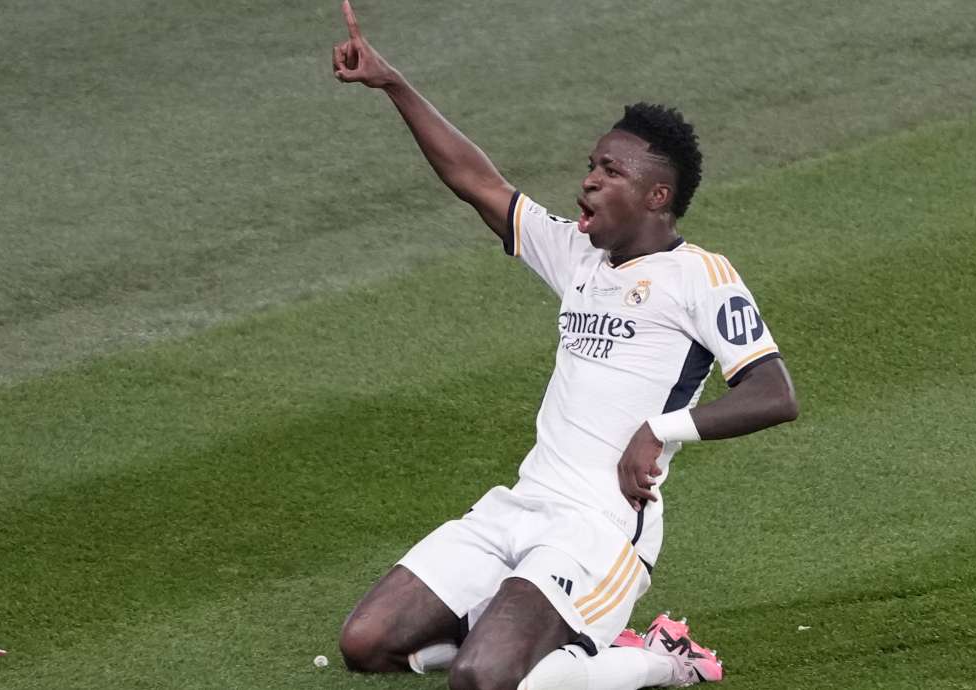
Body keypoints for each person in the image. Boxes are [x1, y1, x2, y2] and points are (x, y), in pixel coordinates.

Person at [330, 3, 799, 689]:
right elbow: (477, 182)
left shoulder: (699, 275)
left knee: (481, 680)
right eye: (591, 165)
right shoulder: (577, 255)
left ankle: (661, 662)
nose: (589, 179)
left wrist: (660, 430)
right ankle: (544, 650)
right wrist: (392, 82)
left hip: (599, 531)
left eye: (610, 170)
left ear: (656, 195)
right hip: (520, 507)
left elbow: (775, 393)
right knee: (366, 642)